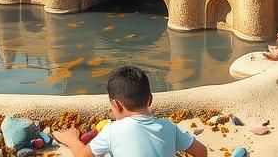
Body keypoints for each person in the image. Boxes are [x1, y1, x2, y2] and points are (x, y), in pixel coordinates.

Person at [54, 66, 207, 157]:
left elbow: (83, 156)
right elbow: (202, 152)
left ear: (117, 105)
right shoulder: (168, 127)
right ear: (150, 100)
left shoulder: (113, 130)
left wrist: (71, 140)